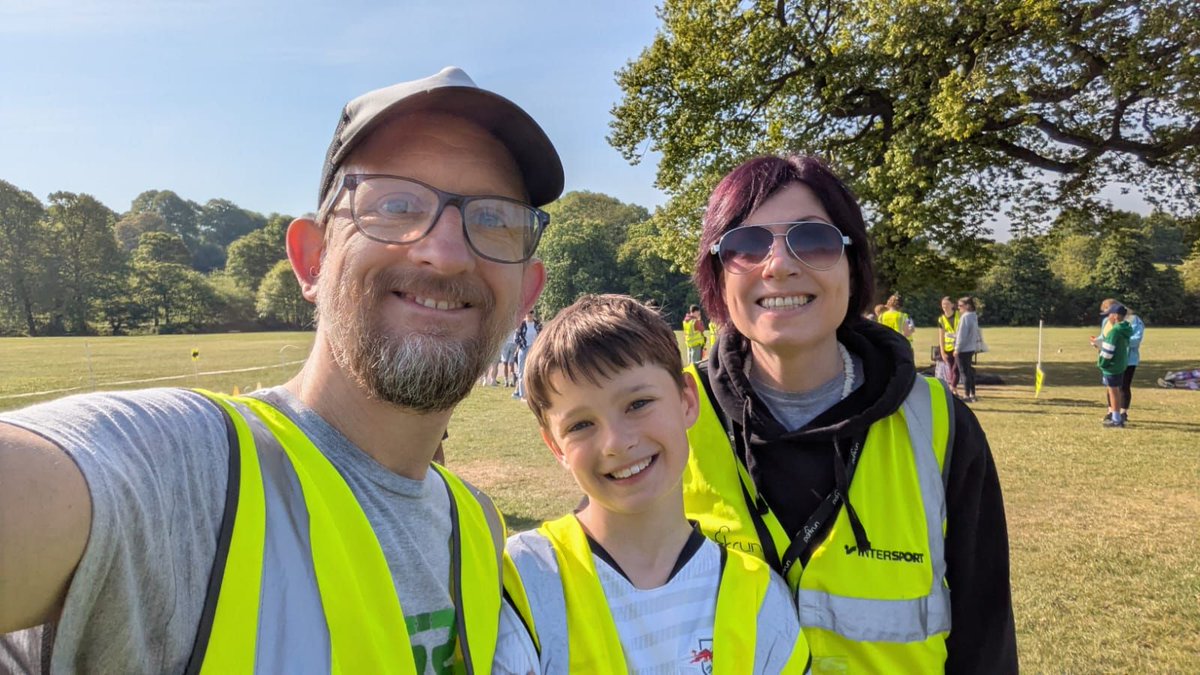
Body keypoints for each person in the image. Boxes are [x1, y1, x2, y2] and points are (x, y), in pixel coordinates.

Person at [0, 66, 562, 673]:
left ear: (526, 293)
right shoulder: (186, 471)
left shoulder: (474, 525)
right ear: (312, 259)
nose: (446, 252)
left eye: (493, 220)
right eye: (396, 205)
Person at [685, 155, 1016, 673]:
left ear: (852, 260)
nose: (777, 265)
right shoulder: (669, 415)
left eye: (811, 239)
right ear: (717, 276)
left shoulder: (939, 424)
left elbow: (986, 635)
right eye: (745, 245)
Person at [503, 294, 809, 673]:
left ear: (687, 400)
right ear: (555, 446)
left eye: (638, 404)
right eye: (581, 425)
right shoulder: (525, 578)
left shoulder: (760, 596)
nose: (617, 442)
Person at [1092, 299, 1143, 424]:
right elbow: (1104, 336)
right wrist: (1097, 342)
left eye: (1108, 313)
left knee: (1123, 387)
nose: (1107, 316)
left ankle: (1122, 413)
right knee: (1111, 388)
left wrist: (1117, 343)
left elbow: (1135, 340)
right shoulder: (1107, 322)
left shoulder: (1133, 321)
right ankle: (1112, 411)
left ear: (1115, 314)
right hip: (1113, 359)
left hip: (1126, 359)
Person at [954, 296, 985, 403]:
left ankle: (966, 395)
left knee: (964, 372)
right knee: (969, 371)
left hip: (963, 349)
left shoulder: (965, 317)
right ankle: (972, 394)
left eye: (960, 306)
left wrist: (957, 349)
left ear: (967, 306)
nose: (958, 308)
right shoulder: (973, 316)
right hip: (971, 348)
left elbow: (962, 336)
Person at [513, 310, 541, 400]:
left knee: (534, 371)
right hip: (524, 349)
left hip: (534, 349)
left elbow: (542, 336)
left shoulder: (537, 324)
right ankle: (523, 395)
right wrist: (522, 345)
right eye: (528, 312)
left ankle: (534, 393)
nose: (530, 314)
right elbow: (516, 339)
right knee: (521, 372)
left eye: (532, 312)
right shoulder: (521, 324)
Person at [937, 296, 961, 394]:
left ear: (952, 305)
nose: (944, 306)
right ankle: (953, 390)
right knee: (952, 368)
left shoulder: (959, 315)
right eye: (943, 304)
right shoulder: (941, 319)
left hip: (959, 346)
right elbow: (941, 336)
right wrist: (942, 352)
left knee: (956, 368)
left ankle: (952, 387)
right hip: (948, 348)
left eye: (947, 304)